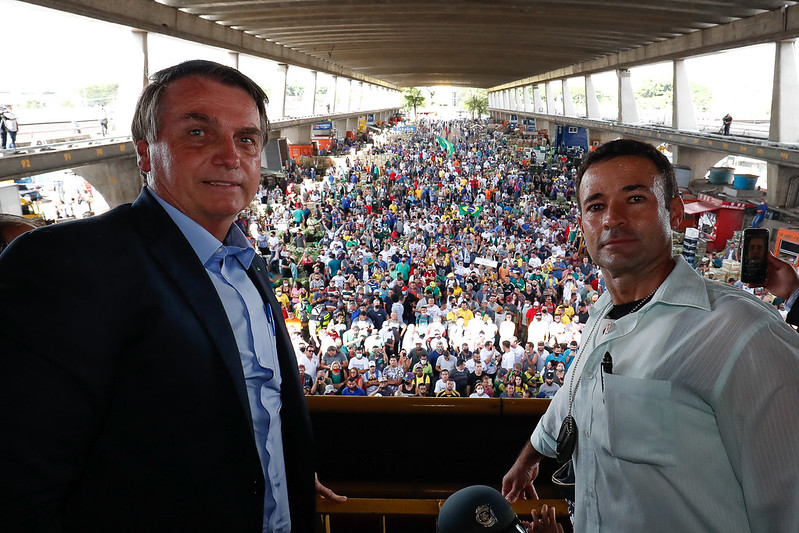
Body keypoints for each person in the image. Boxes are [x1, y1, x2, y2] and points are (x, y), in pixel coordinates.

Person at [0, 60, 344, 532]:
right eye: (199, 133)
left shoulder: (244, 263)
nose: (230, 156)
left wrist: (282, 477)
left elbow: (247, 406)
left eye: (246, 139)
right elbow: (22, 486)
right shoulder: (67, 263)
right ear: (145, 153)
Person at [501, 139, 799, 532]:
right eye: (596, 206)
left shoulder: (744, 334)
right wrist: (529, 458)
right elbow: (576, 392)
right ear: (583, 226)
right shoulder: (602, 316)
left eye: (635, 199)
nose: (612, 218)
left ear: (675, 213)